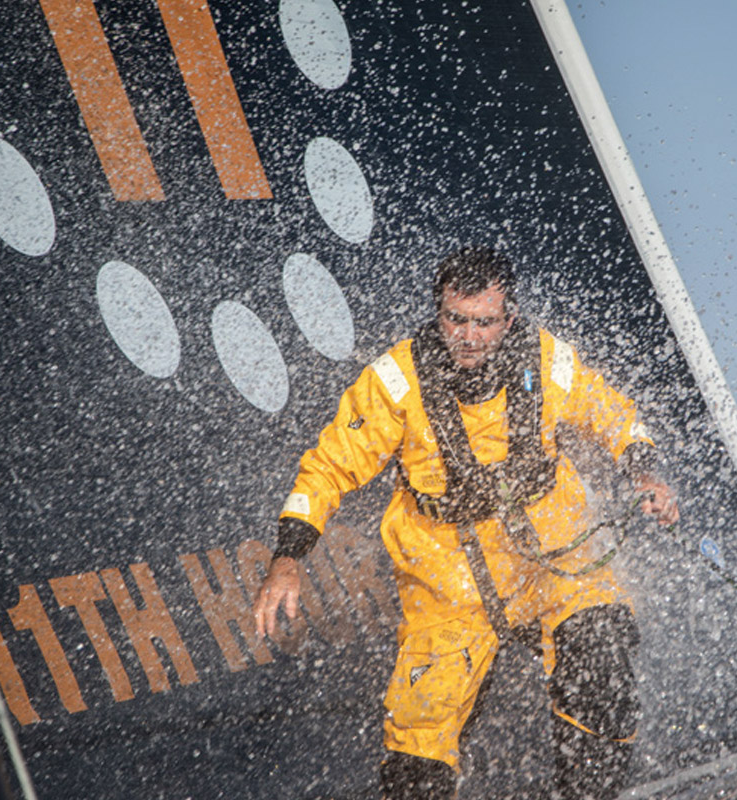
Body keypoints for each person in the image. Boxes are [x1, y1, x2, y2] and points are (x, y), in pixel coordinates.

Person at [252, 246, 678, 800]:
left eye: (485, 322)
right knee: (416, 760)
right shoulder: (395, 381)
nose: (470, 337)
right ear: (439, 312)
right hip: (448, 582)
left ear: (510, 318)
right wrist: (287, 558)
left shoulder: (546, 359)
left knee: (602, 664)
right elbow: (328, 468)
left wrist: (645, 474)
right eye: (457, 319)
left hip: (553, 561)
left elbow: (614, 414)